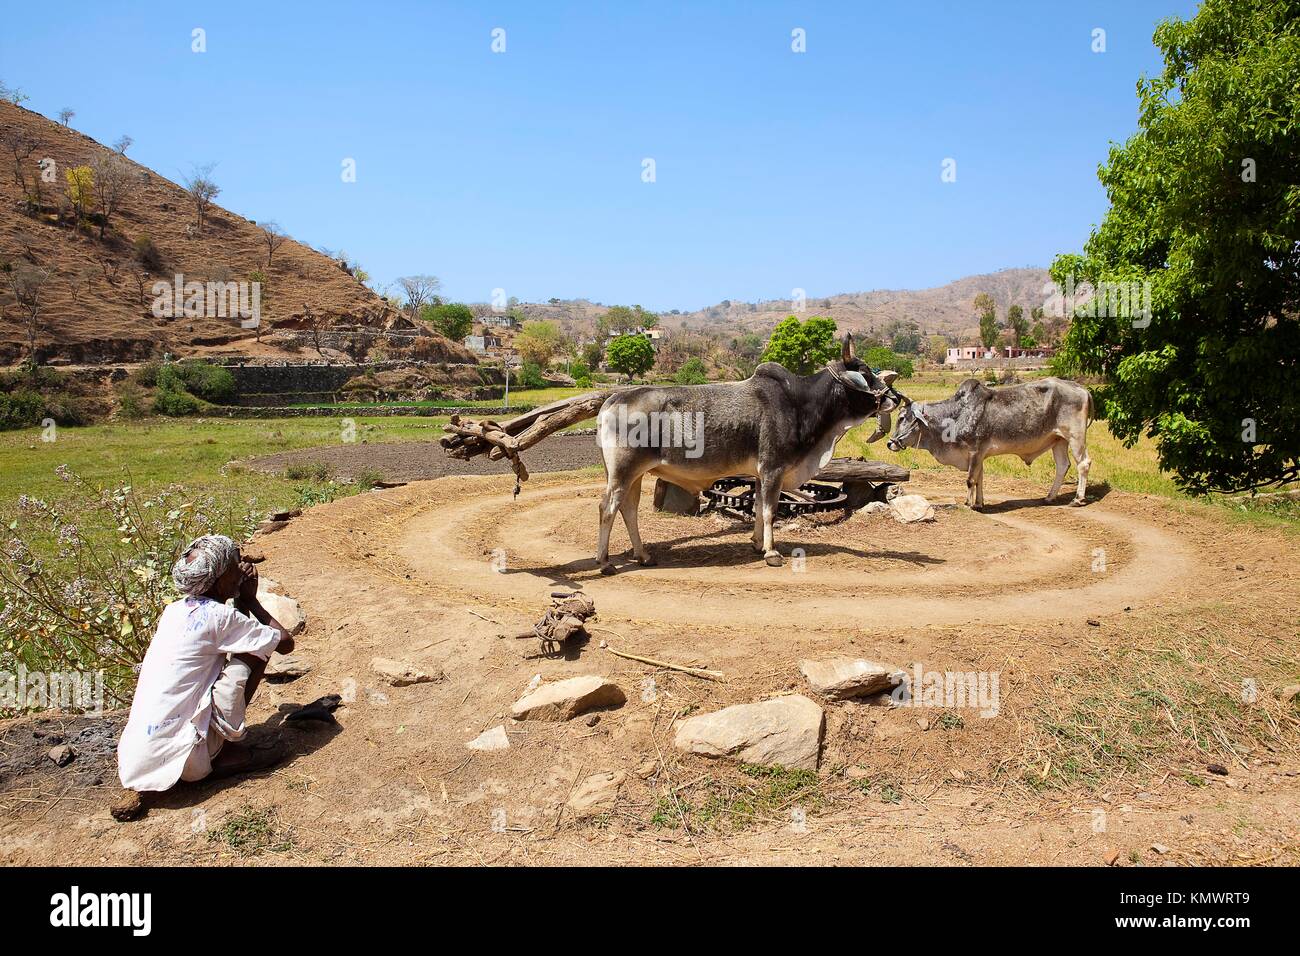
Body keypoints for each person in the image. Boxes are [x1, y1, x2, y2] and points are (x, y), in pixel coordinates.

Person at [116, 534, 295, 802]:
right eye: (236, 566)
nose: (242, 569)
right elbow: (284, 643)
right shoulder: (219, 617)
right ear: (221, 577)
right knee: (260, 648)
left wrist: (237, 600)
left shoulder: (174, 612)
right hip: (188, 758)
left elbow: (232, 634)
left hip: (139, 757)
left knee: (252, 642)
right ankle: (223, 752)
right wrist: (251, 601)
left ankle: (216, 743)